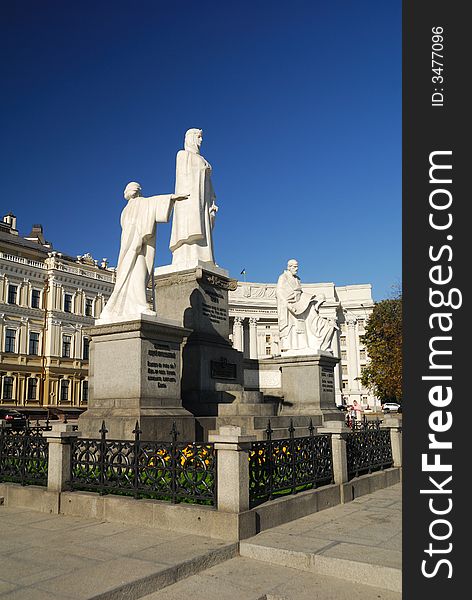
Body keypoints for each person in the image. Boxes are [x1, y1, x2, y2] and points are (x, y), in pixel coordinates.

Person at [98, 182, 188, 323]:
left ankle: (135, 306)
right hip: (131, 247)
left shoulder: (138, 205)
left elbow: (154, 203)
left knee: (138, 275)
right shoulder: (130, 209)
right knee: (136, 275)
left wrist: (172, 198)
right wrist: (172, 197)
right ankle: (137, 305)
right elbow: (153, 203)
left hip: (137, 247)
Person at [169, 128, 218, 267]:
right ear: (190, 138)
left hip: (204, 201)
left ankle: (206, 258)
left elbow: (209, 184)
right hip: (190, 201)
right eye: (198, 137)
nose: (201, 140)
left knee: (204, 229)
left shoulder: (202, 159)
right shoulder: (183, 155)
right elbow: (183, 178)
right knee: (190, 228)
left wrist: (212, 201)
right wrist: (203, 169)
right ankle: (185, 256)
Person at [276, 259, 338, 354]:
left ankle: (302, 347)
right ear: (289, 267)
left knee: (301, 327)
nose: (296, 269)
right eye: (294, 267)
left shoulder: (297, 279)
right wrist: (288, 305)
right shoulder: (283, 277)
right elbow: (279, 292)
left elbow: (300, 293)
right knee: (291, 327)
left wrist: (310, 299)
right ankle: (291, 348)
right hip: (289, 307)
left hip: (299, 306)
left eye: (297, 266)